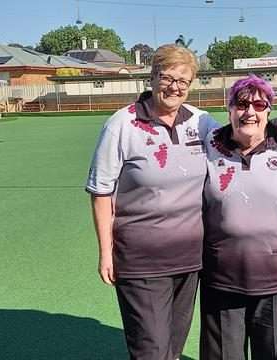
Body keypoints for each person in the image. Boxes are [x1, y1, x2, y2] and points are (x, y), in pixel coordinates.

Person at [85, 44, 218, 360]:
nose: (174, 87)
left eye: (183, 81)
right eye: (167, 77)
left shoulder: (202, 123)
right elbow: (101, 192)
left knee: (172, 346)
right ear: (152, 77)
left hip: (189, 259)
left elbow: (235, 150)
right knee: (151, 350)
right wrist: (106, 251)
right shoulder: (122, 124)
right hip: (141, 258)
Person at [199, 75, 277, 360]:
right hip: (221, 276)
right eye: (242, 104)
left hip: (276, 278)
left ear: (269, 110)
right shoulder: (210, 145)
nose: (250, 112)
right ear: (229, 108)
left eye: (259, 104)